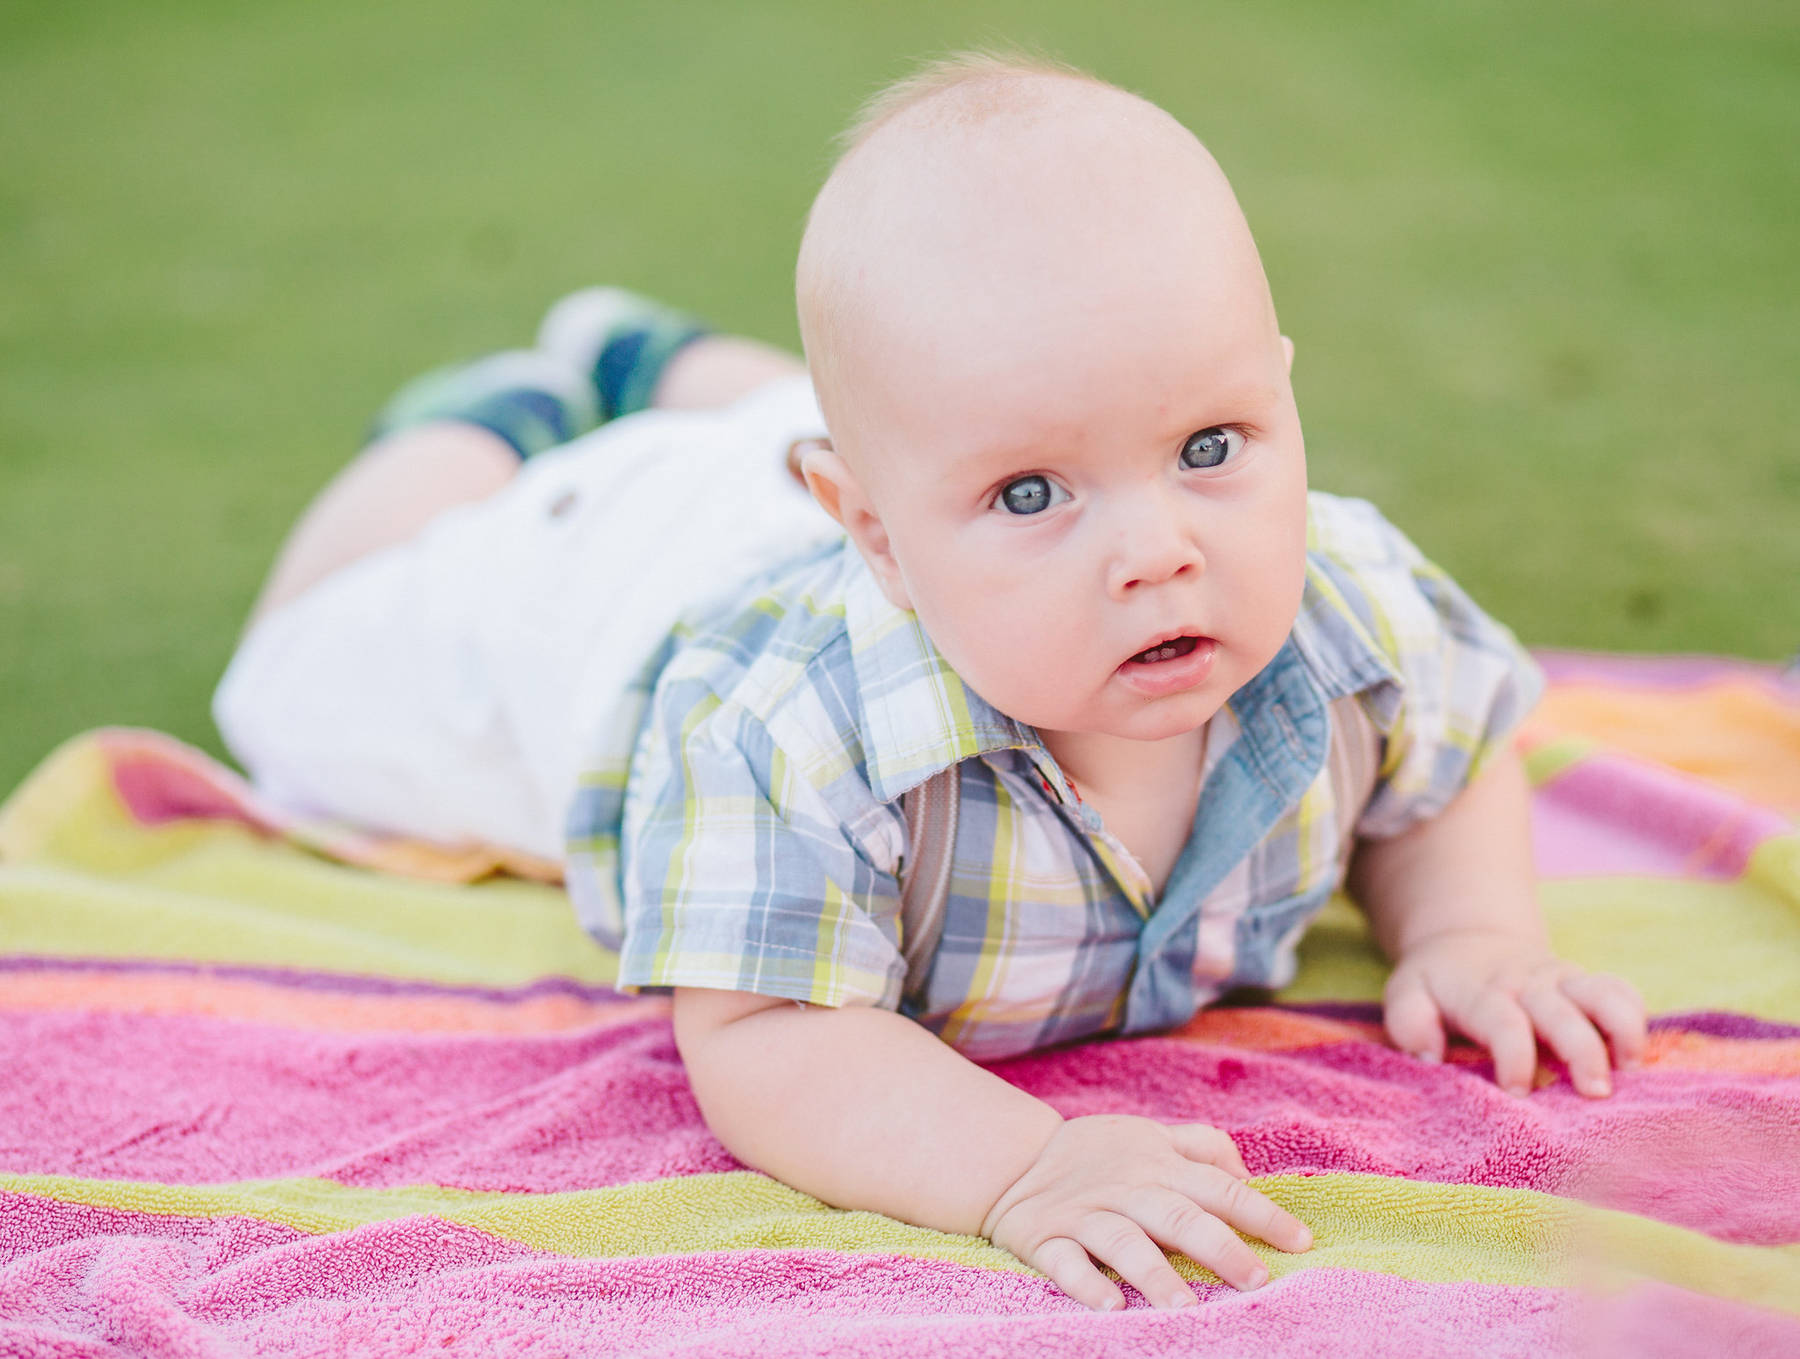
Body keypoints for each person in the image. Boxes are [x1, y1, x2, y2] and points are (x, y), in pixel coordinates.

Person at [214, 50, 1647, 1314]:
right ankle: (493, 412)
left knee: (892, 410)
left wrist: (1469, 930)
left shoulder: (1352, 608)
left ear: (1280, 389)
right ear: (877, 544)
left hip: (843, 474)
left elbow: (1451, 760)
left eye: (1212, 445)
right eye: (1037, 493)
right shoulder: (787, 737)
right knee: (295, 677)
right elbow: (768, 1031)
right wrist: (1021, 1168)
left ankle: (666, 357)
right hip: (600, 587)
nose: (1157, 552)